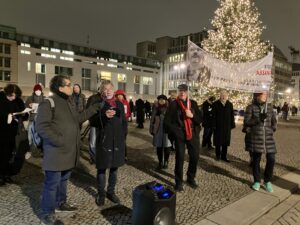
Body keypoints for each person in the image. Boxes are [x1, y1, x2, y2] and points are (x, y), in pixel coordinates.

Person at [36, 75, 103, 225]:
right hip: (56, 152)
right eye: (68, 85)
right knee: (51, 184)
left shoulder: (69, 102)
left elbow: (78, 118)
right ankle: (47, 213)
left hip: (70, 152)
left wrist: (95, 108)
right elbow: (42, 127)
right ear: (59, 88)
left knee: (64, 180)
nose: (71, 87)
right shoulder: (48, 103)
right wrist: (59, 140)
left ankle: (61, 203)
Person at [92, 80, 126, 206]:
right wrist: (104, 115)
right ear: (102, 91)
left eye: (109, 89)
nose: (107, 91)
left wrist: (123, 137)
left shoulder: (119, 104)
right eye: (105, 89)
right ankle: (101, 194)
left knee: (114, 169)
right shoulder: (98, 104)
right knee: (101, 169)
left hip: (117, 141)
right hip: (104, 141)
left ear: (114, 90)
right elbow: (92, 121)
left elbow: (124, 122)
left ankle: (110, 192)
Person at [164, 84, 202, 191]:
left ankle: (191, 177)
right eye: (180, 91)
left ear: (187, 92)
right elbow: (167, 121)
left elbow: (200, 119)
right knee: (180, 158)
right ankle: (178, 181)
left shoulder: (193, 103)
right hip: (180, 135)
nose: (182, 93)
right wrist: (176, 131)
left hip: (193, 134)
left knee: (195, 157)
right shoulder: (173, 104)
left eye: (184, 91)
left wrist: (192, 116)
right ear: (178, 92)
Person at [243, 91, 277, 192]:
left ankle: (267, 181)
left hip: (268, 138)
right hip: (256, 137)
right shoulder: (251, 107)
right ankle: (257, 181)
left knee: (271, 159)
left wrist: (272, 129)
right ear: (257, 96)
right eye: (263, 94)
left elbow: (274, 121)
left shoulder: (270, 107)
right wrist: (258, 119)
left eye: (266, 94)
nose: (265, 96)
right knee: (256, 160)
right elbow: (247, 122)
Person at [0, 84, 26, 186]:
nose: (13, 98)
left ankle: (6, 174)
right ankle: (0, 175)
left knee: (10, 154)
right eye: (11, 96)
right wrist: (7, 116)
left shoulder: (17, 100)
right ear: (7, 93)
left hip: (13, 132)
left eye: (15, 96)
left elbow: (23, 113)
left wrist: (24, 114)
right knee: (2, 154)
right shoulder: (1, 99)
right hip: (1, 131)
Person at [212, 90, 235, 162]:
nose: (223, 96)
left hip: (227, 126)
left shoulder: (230, 104)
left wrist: (232, 124)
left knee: (225, 142)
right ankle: (218, 155)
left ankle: (224, 156)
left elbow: (232, 115)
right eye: (222, 95)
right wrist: (214, 125)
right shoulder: (215, 104)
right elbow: (213, 116)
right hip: (218, 126)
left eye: (225, 95)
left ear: (227, 96)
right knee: (218, 142)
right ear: (220, 96)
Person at [150, 95, 171, 170]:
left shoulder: (169, 108)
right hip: (158, 129)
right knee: (159, 146)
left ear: (166, 101)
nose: (161, 101)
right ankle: (160, 162)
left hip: (167, 130)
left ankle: (166, 161)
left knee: (167, 146)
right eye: (160, 100)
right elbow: (152, 119)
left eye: (163, 100)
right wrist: (151, 129)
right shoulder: (155, 108)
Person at [25, 83, 45, 159]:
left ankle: (42, 150)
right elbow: (25, 107)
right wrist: (29, 107)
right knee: (30, 135)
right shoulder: (30, 98)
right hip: (32, 119)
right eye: (36, 90)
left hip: (41, 120)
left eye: (39, 89)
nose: (38, 91)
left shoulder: (44, 98)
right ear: (34, 90)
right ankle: (30, 150)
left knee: (41, 135)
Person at [115, 89, 131, 160]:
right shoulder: (114, 103)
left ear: (123, 96)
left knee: (123, 140)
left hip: (124, 123)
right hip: (117, 123)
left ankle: (124, 155)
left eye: (121, 95)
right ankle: (117, 154)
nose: (120, 96)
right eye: (118, 95)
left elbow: (129, 111)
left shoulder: (125, 102)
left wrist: (127, 116)